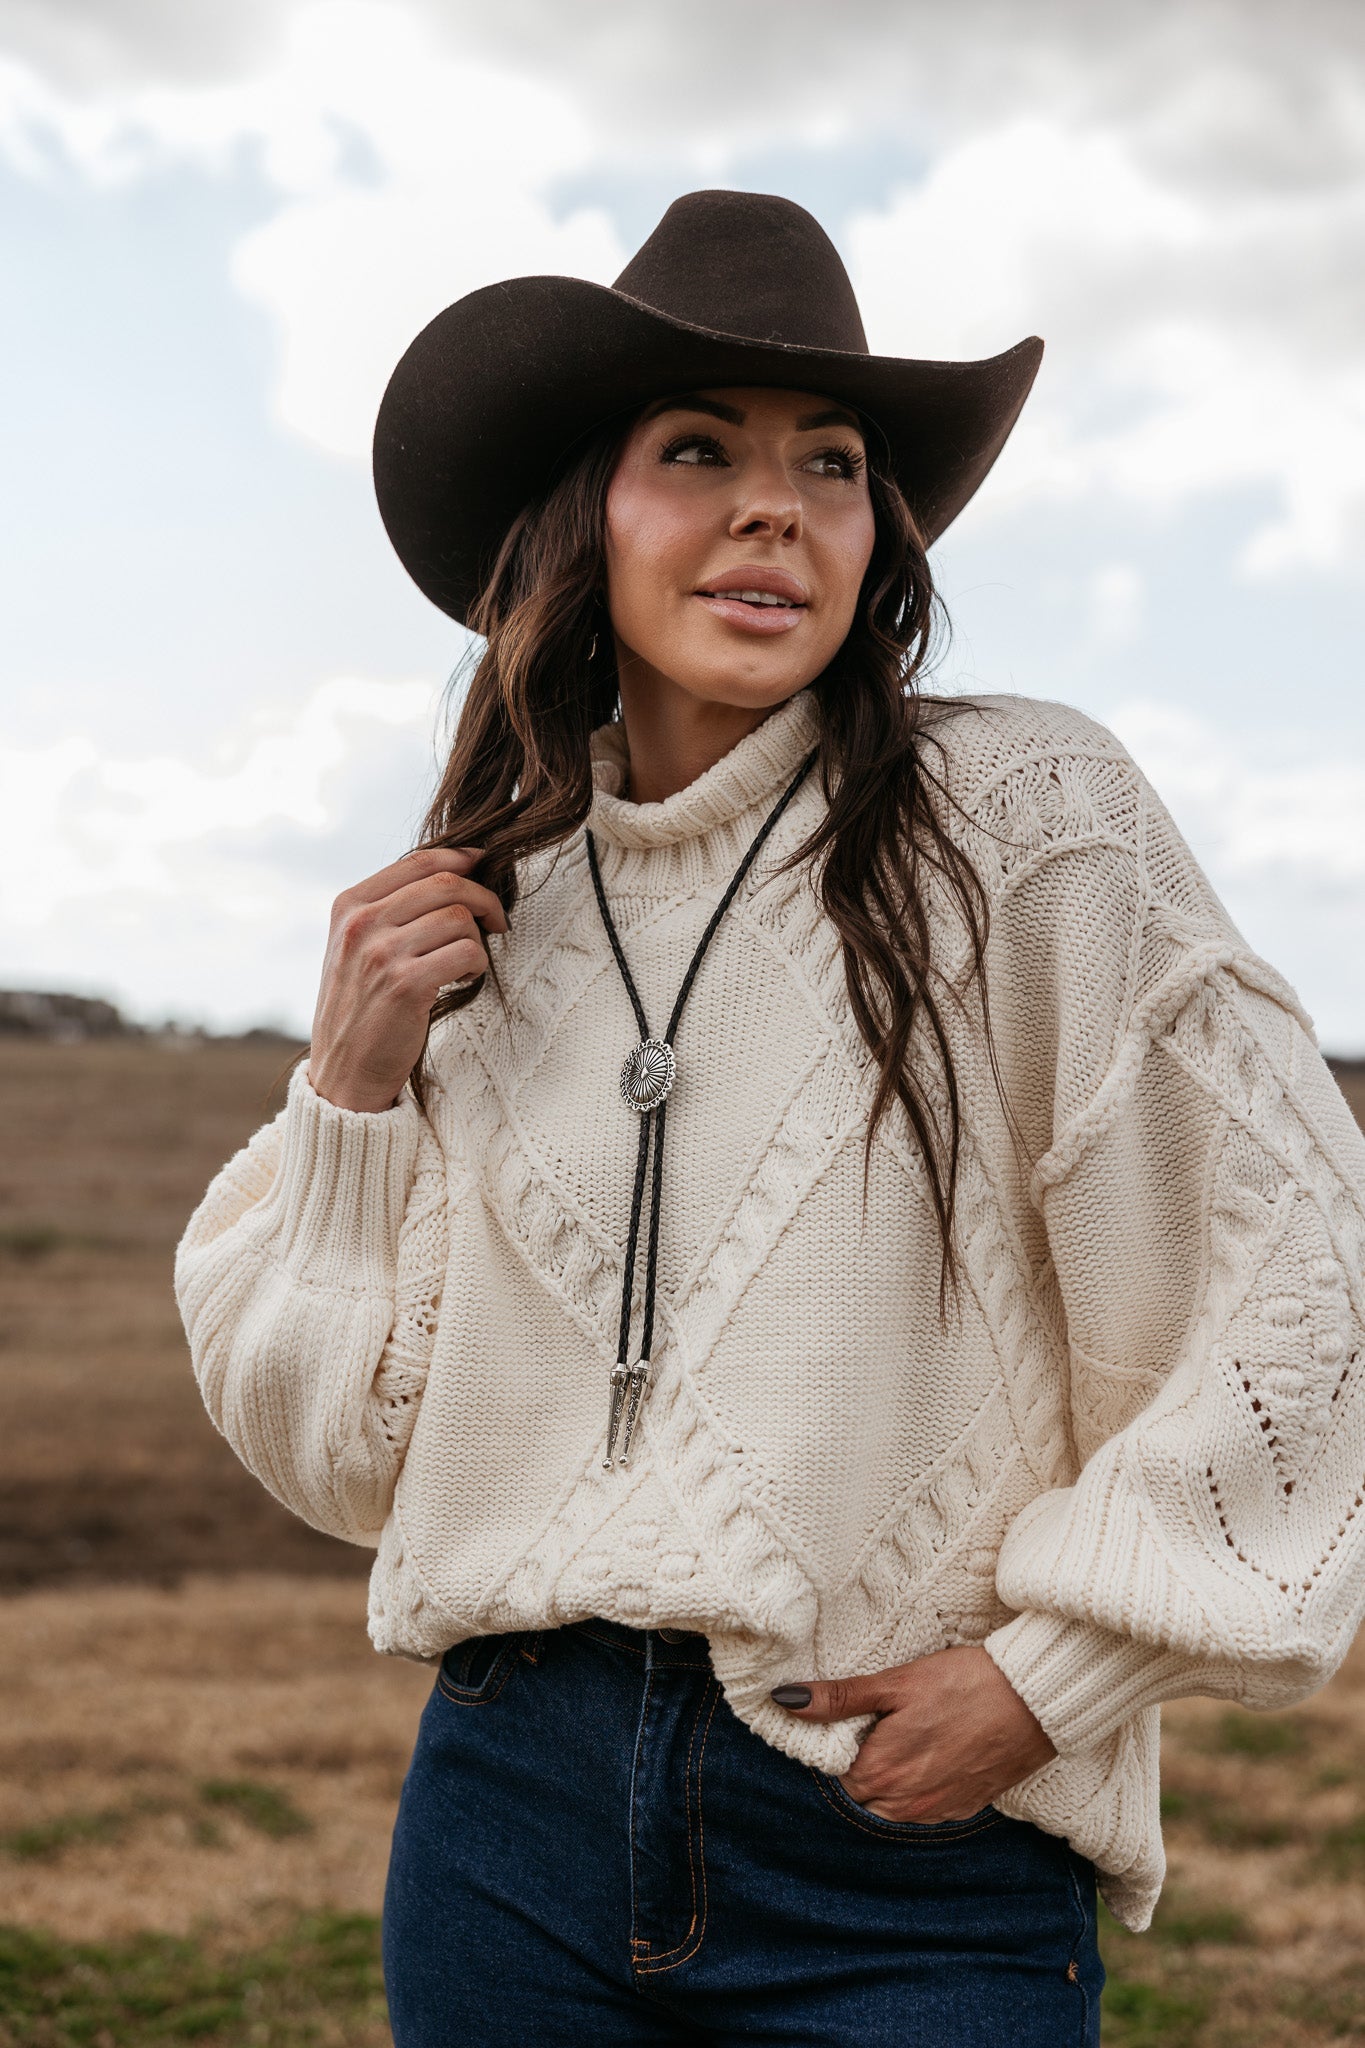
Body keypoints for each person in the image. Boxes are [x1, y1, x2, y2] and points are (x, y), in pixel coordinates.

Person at [176, 190, 1365, 2047]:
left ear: (873, 532)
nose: (774, 504)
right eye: (697, 450)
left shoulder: (1027, 821)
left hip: (904, 1848)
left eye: (830, 462)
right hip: (511, 1820)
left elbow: (1307, 1274)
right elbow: (334, 1456)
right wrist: (351, 1095)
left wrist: (1055, 1674)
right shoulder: (489, 917)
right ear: (583, 517)